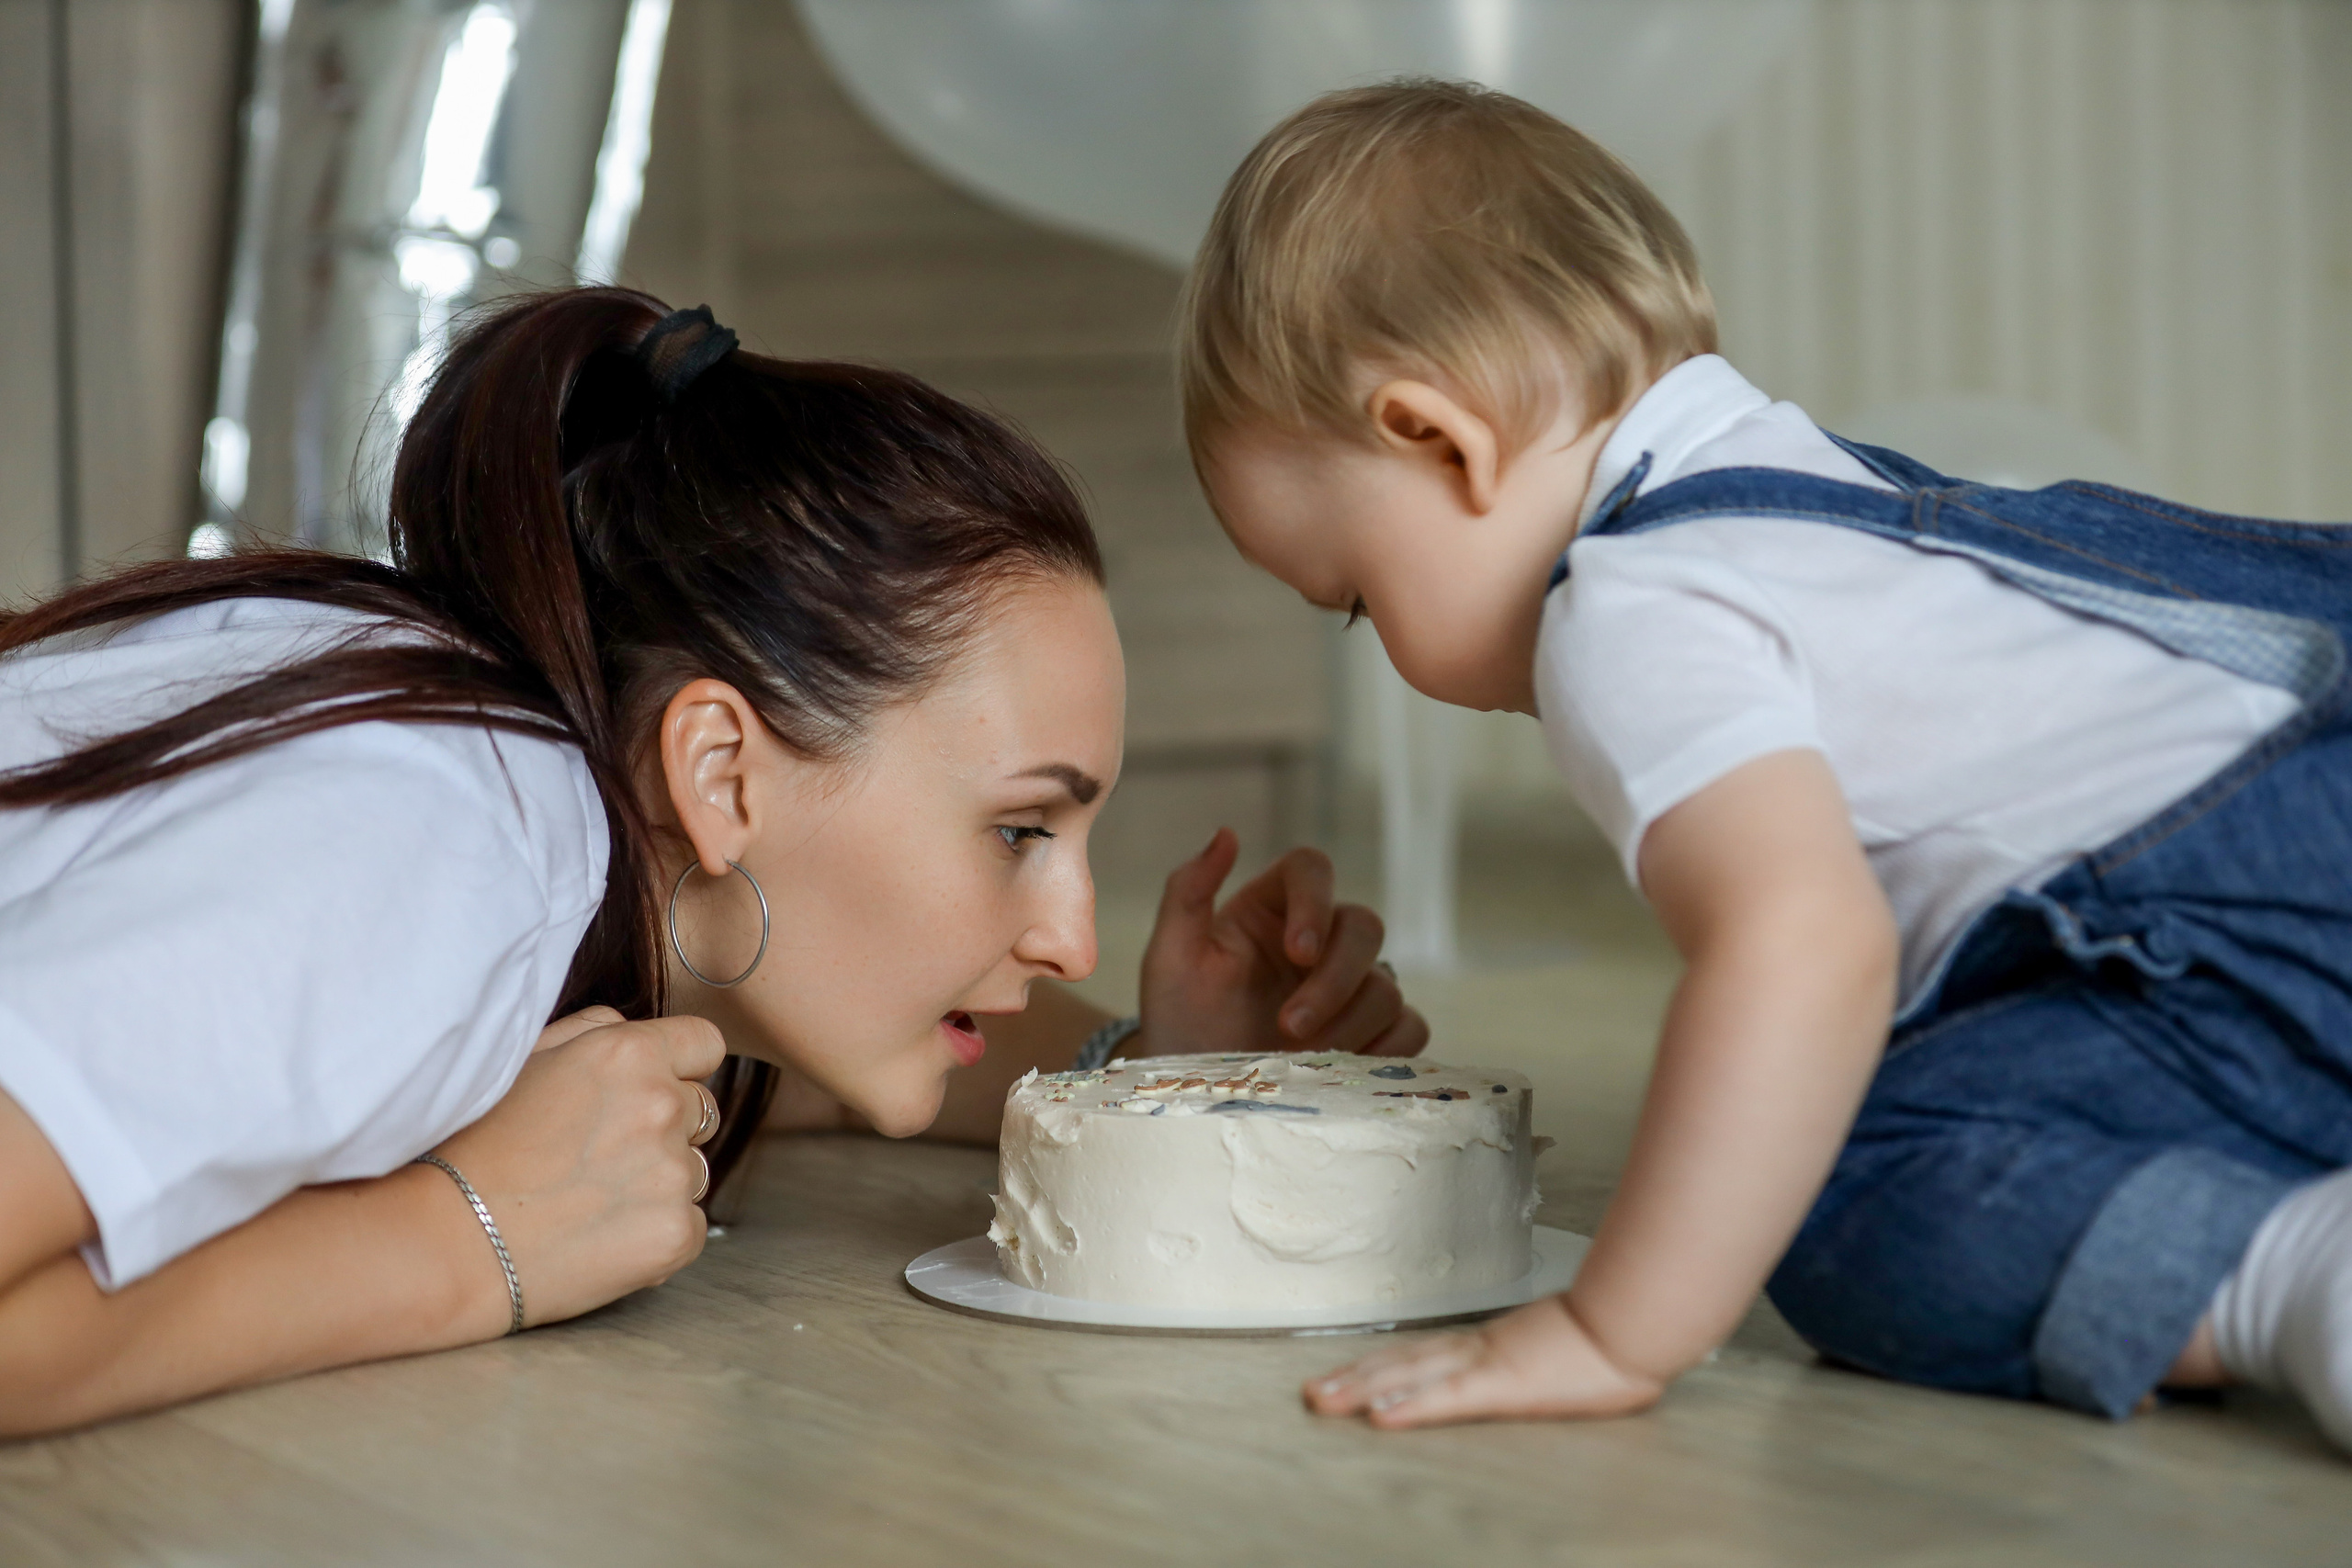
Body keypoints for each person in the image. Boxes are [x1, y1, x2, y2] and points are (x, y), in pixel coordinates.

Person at [0, 288, 1424, 1437]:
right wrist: (467, 1245)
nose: (1069, 936)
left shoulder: (517, 792)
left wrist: (1145, 1070)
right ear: (722, 772)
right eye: (1017, 832)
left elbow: (791, 1049)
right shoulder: (429, 846)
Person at [1179, 78, 2352, 1448]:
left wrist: (1612, 1328)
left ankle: (2297, 1272)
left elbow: (1806, 947)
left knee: (1848, 1193)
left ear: (1441, 441)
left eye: (1356, 597)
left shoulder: (1636, 604)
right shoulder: (1832, 494)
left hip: (2275, 917)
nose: (1379, 644)